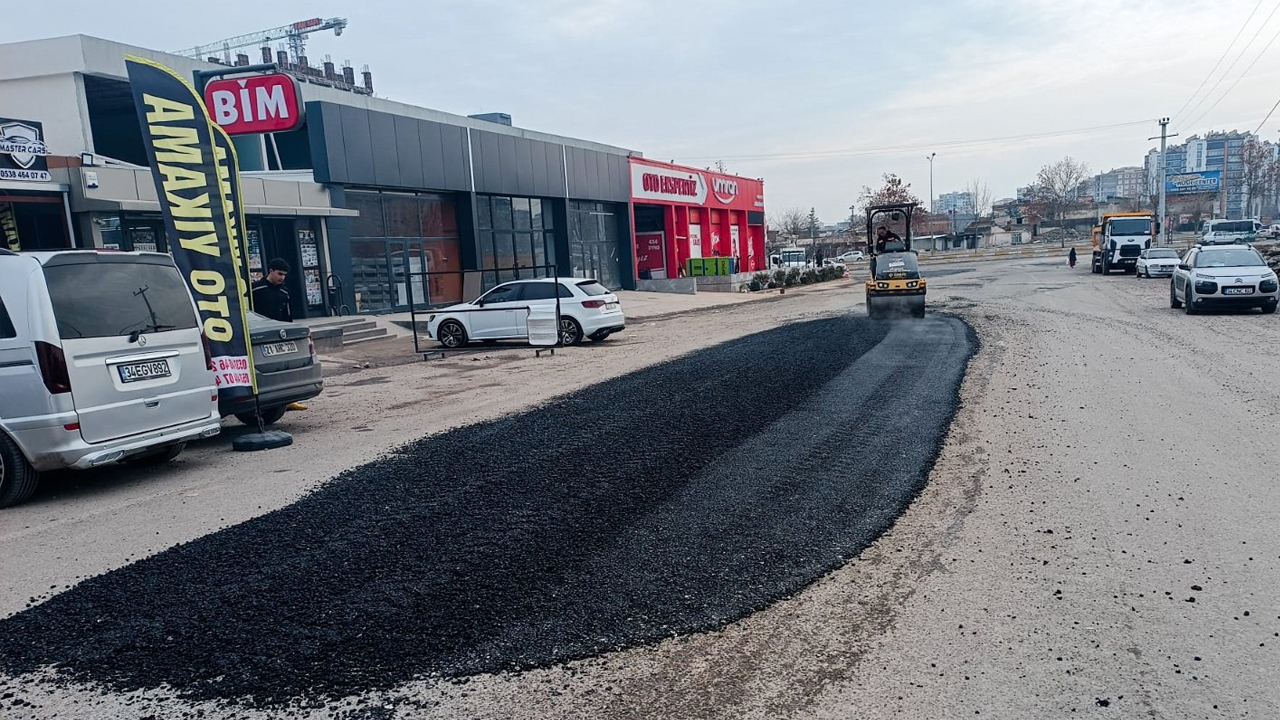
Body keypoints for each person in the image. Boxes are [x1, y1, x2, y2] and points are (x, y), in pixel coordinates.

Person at [251, 259, 306, 411]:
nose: (282, 278)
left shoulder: (284, 291)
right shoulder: (256, 289)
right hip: (260, 334)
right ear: (271, 271)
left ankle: (289, 400)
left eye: (284, 275)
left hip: (279, 333)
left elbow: (287, 315)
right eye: (279, 274)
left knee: (285, 367)